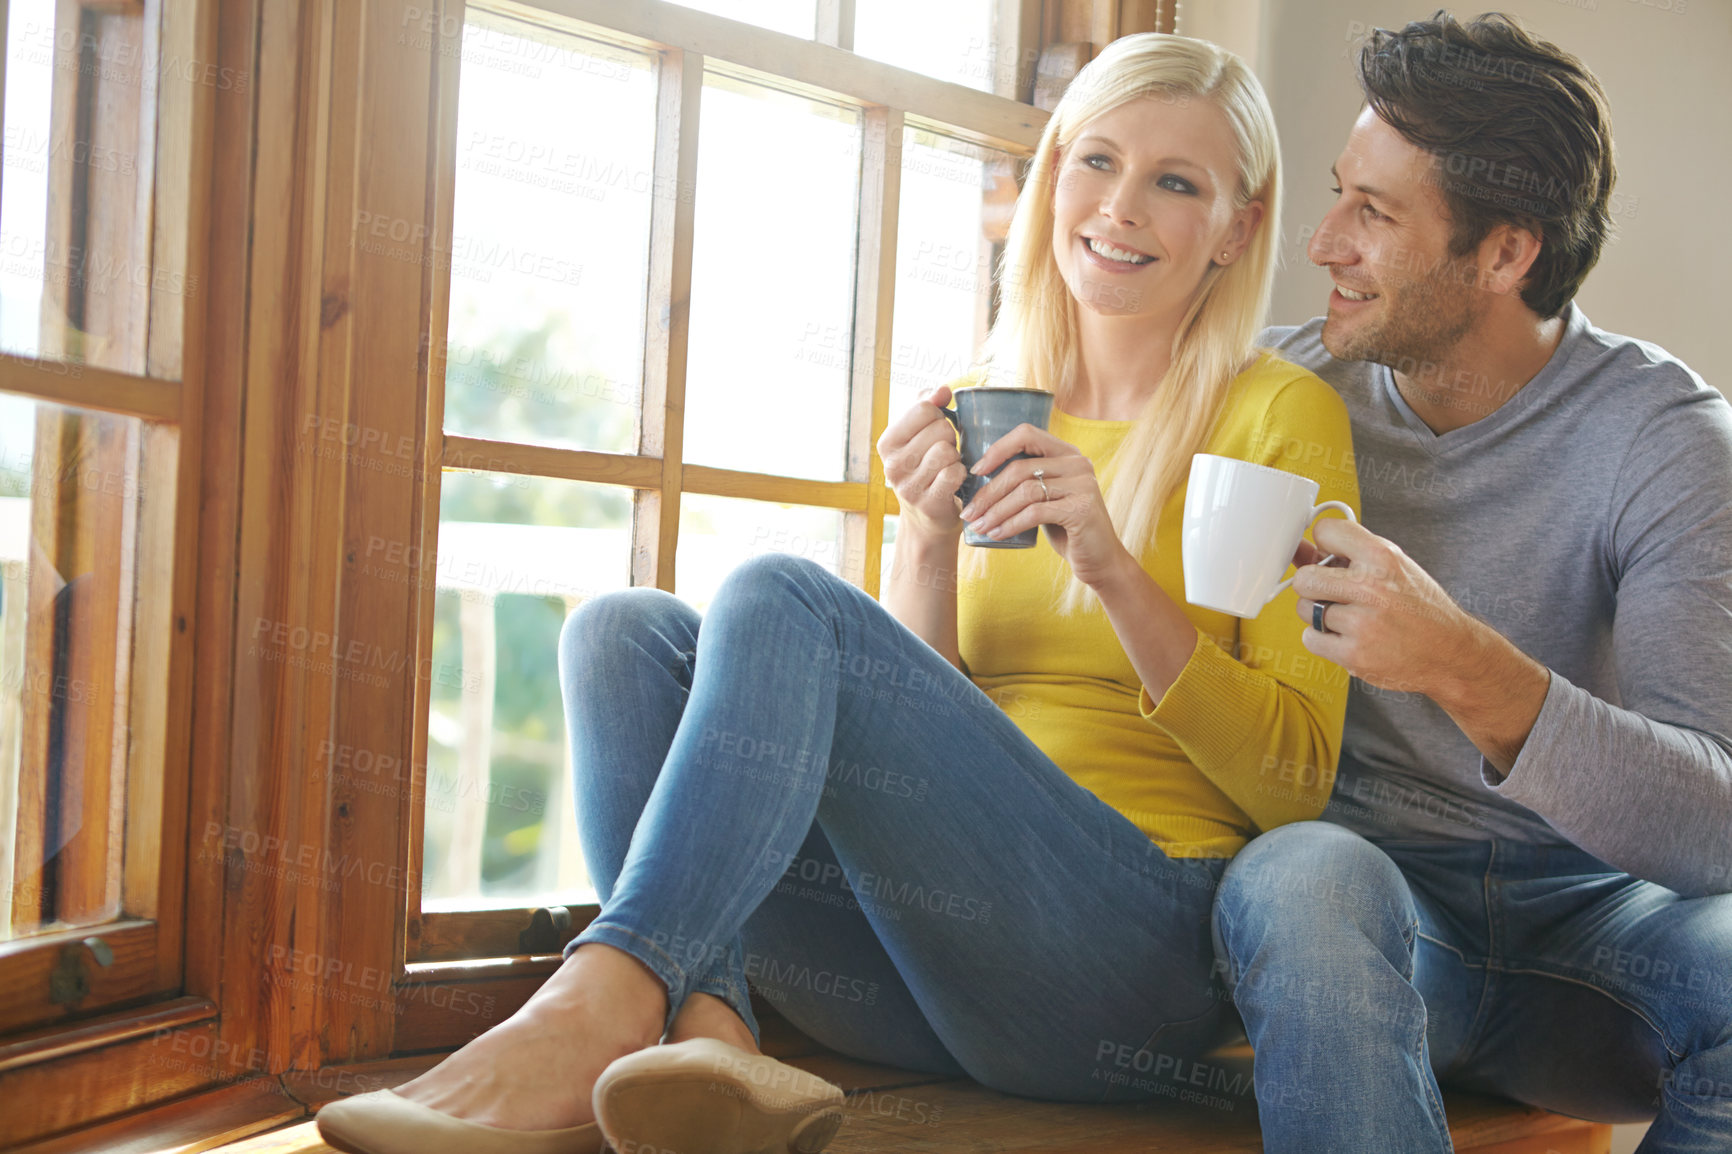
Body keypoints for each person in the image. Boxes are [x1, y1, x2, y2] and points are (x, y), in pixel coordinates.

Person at [318, 31, 1358, 1154]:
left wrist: (1109, 564)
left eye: (1175, 182)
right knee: (624, 633)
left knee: (780, 592)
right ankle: (711, 1033)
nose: (1119, 207)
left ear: (1237, 225)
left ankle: (602, 1002)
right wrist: (922, 533)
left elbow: (1292, 782)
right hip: (928, 977)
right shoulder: (988, 398)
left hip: (1120, 963)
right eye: (1095, 161)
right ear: (1055, 173)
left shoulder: (1279, 415)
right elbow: (917, 731)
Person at [1210, 12, 1732, 1154]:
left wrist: (1458, 660)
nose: (1323, 243)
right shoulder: (1282, 391)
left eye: (1374, 213)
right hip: (1371, 922)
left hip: (1599, 931)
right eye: (1339, 194)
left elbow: (1715, 829)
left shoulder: (1664, 437)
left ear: (1505, 253)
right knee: (1303, 874)